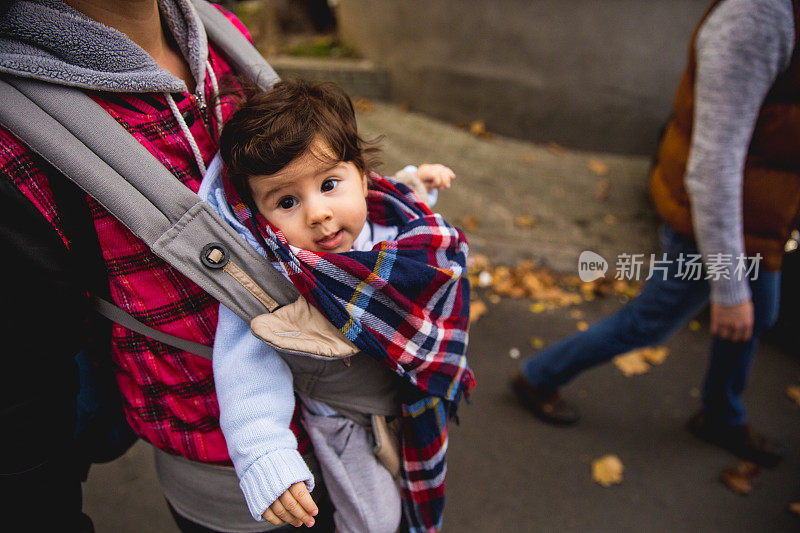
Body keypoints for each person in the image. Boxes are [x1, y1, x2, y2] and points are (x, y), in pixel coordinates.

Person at [0, 1, 333, 531]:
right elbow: (22, 407)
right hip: (230, 475)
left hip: (350, 421)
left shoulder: (221, 34)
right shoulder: (15, 133)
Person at [513, 0, 798, 468]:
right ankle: (538, 375)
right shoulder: (757, 18)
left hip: (759, 224)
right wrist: (728, 291)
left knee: (758, 315)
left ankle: (721, 413)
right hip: (713, 224)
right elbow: (712, 166)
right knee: (651, 321)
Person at [200, 79, 462, 533]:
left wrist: (416, 183)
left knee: (412, 476)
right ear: (259, 219)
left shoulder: (388, 227)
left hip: (403, 394)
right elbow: (246, 370)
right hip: (343, 420)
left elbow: (389, 211)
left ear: (361, 176)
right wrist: (266, 454)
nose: (318, 213)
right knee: (375, 519)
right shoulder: (276, 280)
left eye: (328, 183)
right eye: (287, 201)